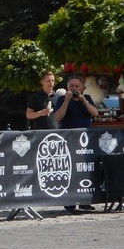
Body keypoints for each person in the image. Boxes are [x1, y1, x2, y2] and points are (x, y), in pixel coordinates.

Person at [53, 75, 99, 214]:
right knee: (70, 170)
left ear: (82, 88)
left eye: (77, 86)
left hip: (86, 139)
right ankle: (69, 203)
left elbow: (95, 113)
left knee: (86, 170)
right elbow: (58, 117)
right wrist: (67, 101)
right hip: (69, 139)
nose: (74, 89)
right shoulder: (61, 99)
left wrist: (84, 100)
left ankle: (85, 201)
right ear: (67, 88)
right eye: (71, 86)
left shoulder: (87, 99)